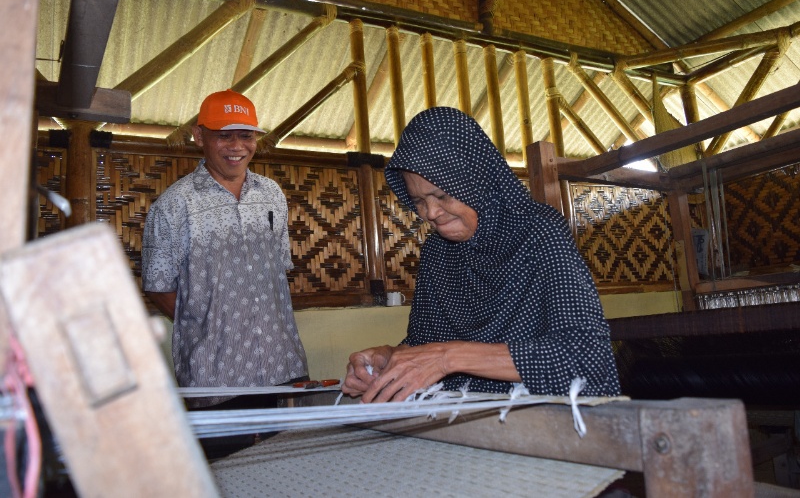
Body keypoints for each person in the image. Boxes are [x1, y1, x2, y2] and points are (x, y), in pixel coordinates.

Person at [343, 107, 620, 403]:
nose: (431, 213)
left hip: (552, 418)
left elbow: (586, 358)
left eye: (442, 195)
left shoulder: (539, 231)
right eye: (419, 201)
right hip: (465, 423)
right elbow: (424, 346)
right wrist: (391, 358)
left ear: (475, 180)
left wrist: (447, 357)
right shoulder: (438, 253)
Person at [141, 89, 309, 417]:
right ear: (199, 136)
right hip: (215, 373)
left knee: (282, 460)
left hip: (280, 363)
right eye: (224, 136)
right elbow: (157, 286)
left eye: (246, 136)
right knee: (224, 463)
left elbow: (279, 268)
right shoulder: (175, 204)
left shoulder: (272, 194)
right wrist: (210, 325)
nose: (236, 146)